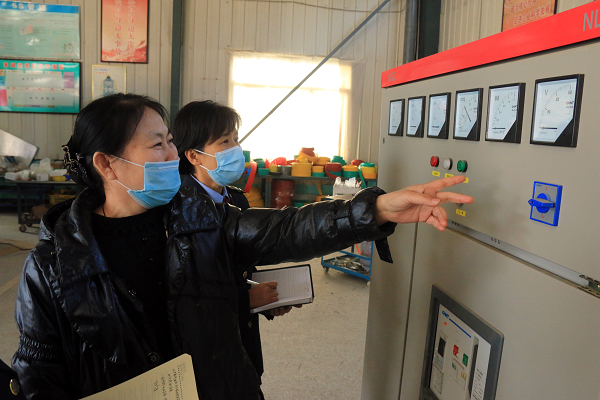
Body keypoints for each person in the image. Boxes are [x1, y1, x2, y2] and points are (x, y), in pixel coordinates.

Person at [12, 93, 473, 400]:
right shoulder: (54, 263)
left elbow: (285, 229)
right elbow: (40, 372)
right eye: (157, 145)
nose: (172, 155)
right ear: (107, 164)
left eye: (170, 141)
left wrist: (375, 210)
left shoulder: (200, 219)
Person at [172, 100, 296, 392]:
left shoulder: (237, 200)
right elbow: (182, 295)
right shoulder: (176, 209)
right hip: (206, 355)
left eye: (236, 139)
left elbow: (243, 265)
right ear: (194, 155)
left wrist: (266, 300)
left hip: (243, 341)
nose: (236, 149)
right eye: (225, 141)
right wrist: (245, 300)